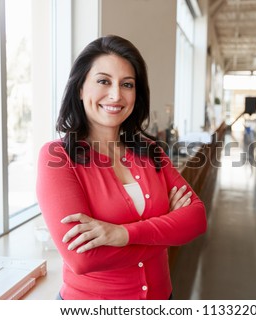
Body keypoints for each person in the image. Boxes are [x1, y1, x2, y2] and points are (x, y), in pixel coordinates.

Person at [36, 35, 207, 300]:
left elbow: (196, 219)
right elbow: (82, 258)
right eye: (104, 81)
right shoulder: (57, 157)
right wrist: (167, 231)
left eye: (127, 84)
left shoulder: (153, 153)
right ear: (80, 88)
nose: (116, 94)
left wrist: (122, 234)